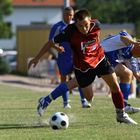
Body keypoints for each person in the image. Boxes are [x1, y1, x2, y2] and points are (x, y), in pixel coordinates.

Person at [28, 9, 137, 124]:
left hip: (100, 60)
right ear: (75, 24)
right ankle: (46, 100)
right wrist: (37, 58)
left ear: (90, 20)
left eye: (86, 25)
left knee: (115, 86)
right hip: (83, 67)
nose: (84, 29)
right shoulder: (70, 31)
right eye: (80, 26)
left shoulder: (97, 25)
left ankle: (121, 114)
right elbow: (50, 42)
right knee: (88, 96)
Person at [48, 7, 91, 108]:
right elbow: (50, 42)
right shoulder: (57, 26)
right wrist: (57, 48)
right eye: (66, 14)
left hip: (76, 55)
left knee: (79, 77)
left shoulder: (76, 25)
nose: (69, 17)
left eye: (71, 15)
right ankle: (66, 102)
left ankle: (83, 101)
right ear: (63, 15)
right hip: (64, 57)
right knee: (64, 78)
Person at [101, 31, 140, 114]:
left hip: (105, 62)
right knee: (80, 84)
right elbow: (123, 37)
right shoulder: (128, 39)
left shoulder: (132, 57)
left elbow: (137, 75)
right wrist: (134, 42)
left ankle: (124, 105)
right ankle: (124, 106)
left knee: (127, 74)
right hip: (97, 55)